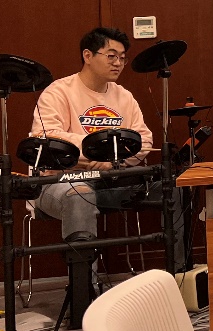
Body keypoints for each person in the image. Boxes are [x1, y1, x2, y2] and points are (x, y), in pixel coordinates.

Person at [31, 27, 190, 273]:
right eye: (111, 56)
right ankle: (85, 287)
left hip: (111, 181)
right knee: (79, 195)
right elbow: (47, 137)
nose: (118, 63)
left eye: (122, 58)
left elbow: (143, 140)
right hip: (61, 183)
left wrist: (115, 161)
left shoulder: (124, 96)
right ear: (87, 55)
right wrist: (97, 153)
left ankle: (179, 275)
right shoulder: (59, 91)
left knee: (173, 190)